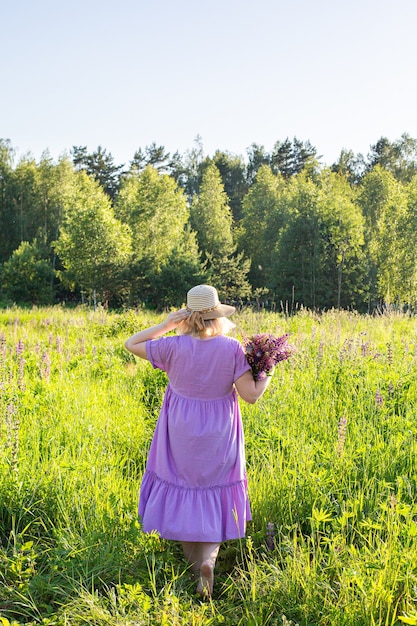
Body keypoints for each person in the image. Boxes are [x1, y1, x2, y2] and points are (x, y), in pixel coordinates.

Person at [124, 284, 272, 597]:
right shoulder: (231, 347)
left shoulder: (173, 346)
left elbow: (131, 342)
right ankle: (209, 560)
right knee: (213, 491)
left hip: (180, 429)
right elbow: (251, 395)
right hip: (219, 430)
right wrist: (267, 370)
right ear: (216, 315)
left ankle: (196, 569)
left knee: (182, 488)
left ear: (187, 315)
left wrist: (167, 324)